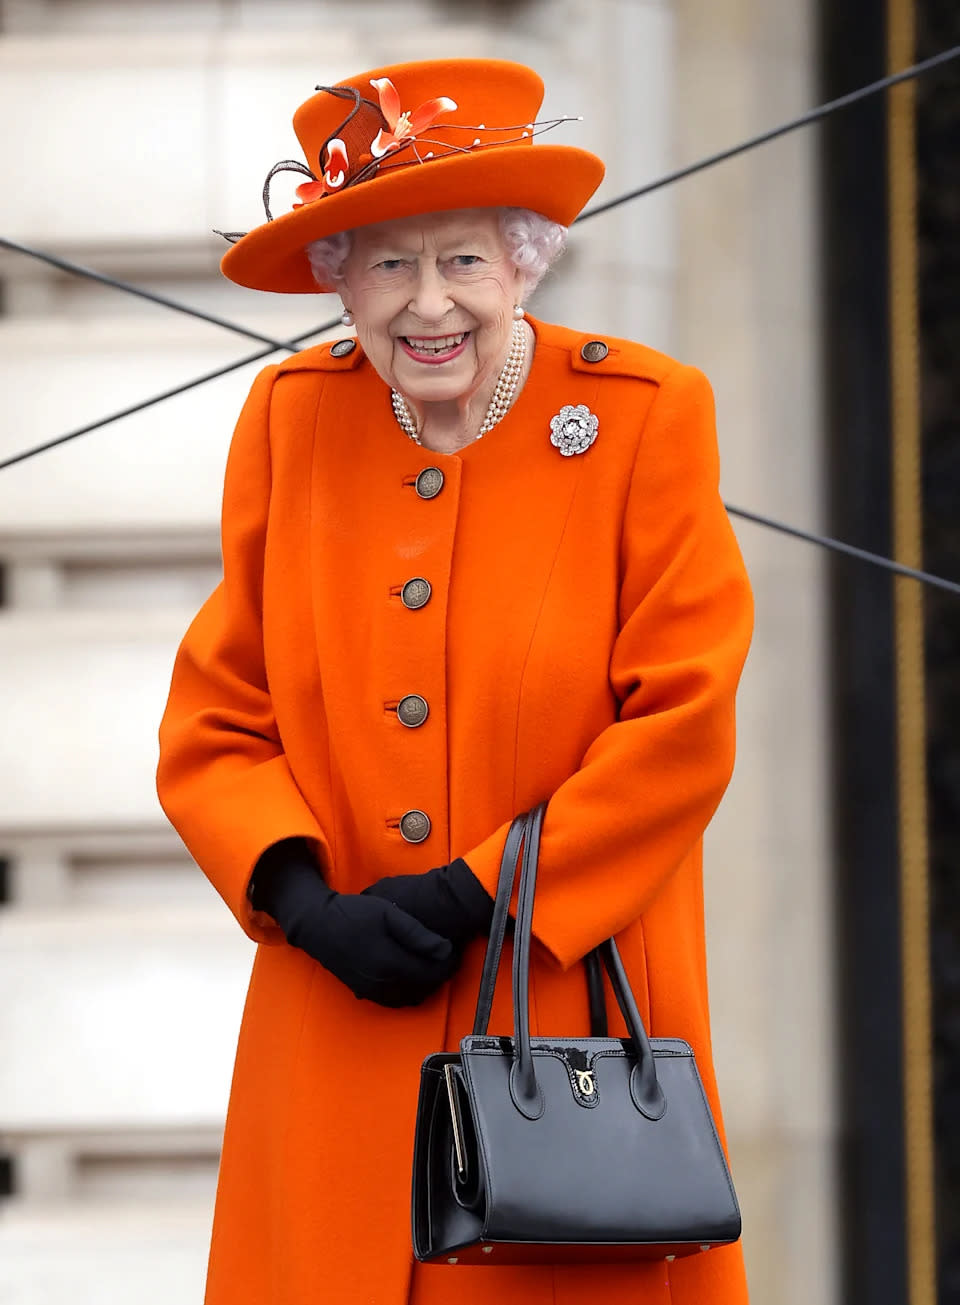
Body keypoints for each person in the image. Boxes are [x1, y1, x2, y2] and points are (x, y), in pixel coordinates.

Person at [157, 56, 754, 1305]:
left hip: (557, 1026)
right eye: (387, 264)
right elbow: (217, 720)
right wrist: (304, 899)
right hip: (334, 1015)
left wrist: (479, 892)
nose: (428, 304)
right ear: (342, 284)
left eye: (463, 260)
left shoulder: (643, 417)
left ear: (524, 263)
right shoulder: (290, 422)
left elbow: (682, 723)